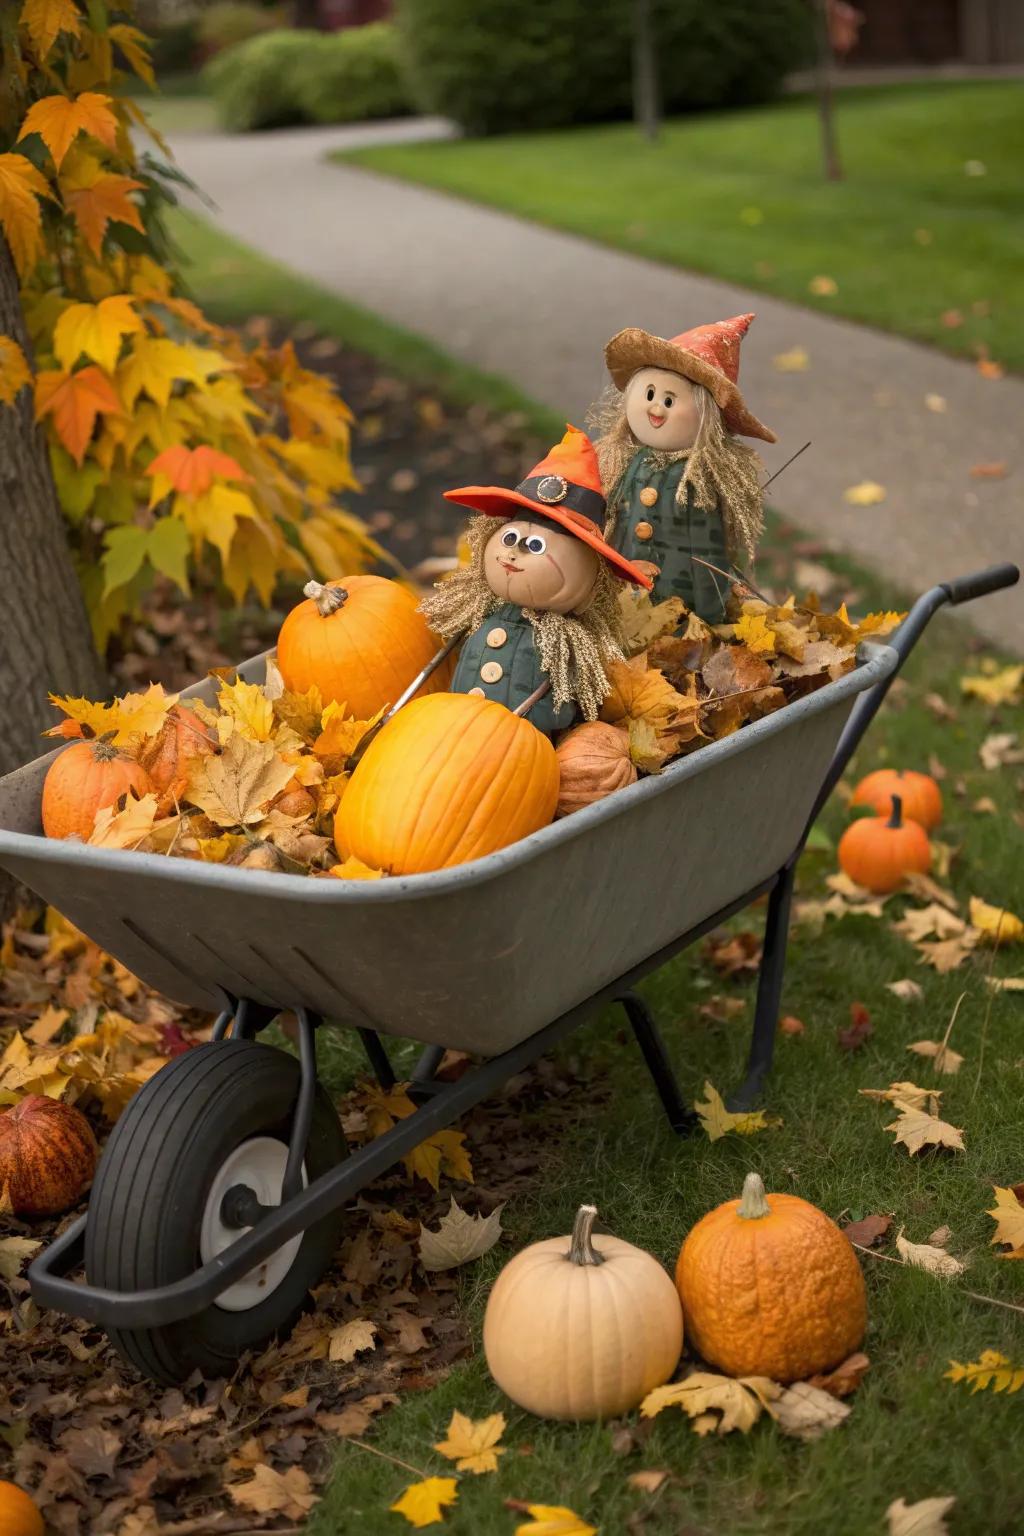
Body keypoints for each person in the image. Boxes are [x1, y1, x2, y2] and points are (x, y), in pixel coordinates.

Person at [420, 427, 651, 735]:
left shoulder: (562, 641)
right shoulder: (482, 612)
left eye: (535, 546)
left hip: (522, 747)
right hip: (454, 726)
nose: (513, 552)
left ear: (587, 578)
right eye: (511, 538)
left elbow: (561, 703)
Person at [590, 314, 777, 621]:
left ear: (704, 414)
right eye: (650, 395)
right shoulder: (627, 461)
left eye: (669, 400)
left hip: (677, 603)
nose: (655, 408)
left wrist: (710, 613)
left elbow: (707, 550)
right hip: (622, 594)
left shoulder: (695, 479)